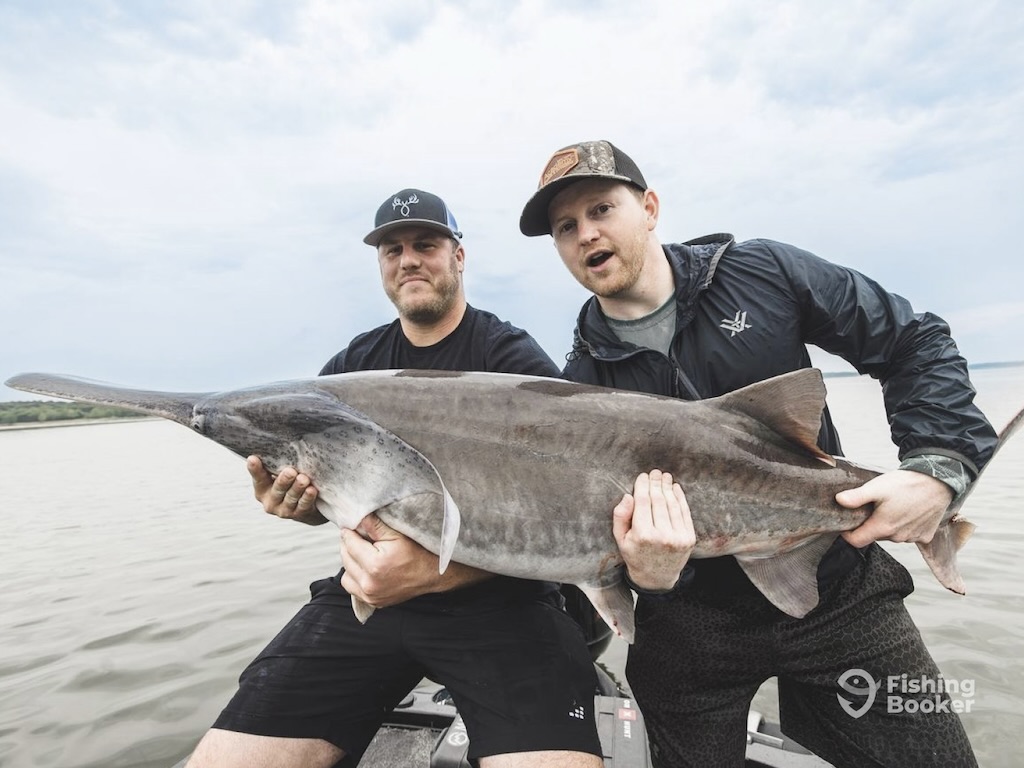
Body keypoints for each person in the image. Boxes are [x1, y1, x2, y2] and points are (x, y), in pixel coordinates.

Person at [518, 140, 999, 768]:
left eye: (601, 209)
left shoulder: (762, 273)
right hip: (687, 625)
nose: (586, 233)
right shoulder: (581, 384)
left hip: (836, 588)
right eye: (565, 227)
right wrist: (647, 576)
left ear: (650, 207)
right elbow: (597, 538)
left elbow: (913, 341)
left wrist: (938, 468)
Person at [187, 189, 605, 768]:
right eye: (393, 250)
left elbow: (566, 506)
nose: (408, 260)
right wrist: (297, 503)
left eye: (425, 245)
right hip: (368, 598)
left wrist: (436, 572)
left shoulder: (511, 357)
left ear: (458, 257)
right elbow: (326, 499)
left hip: (503, 604)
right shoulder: (352, 367)